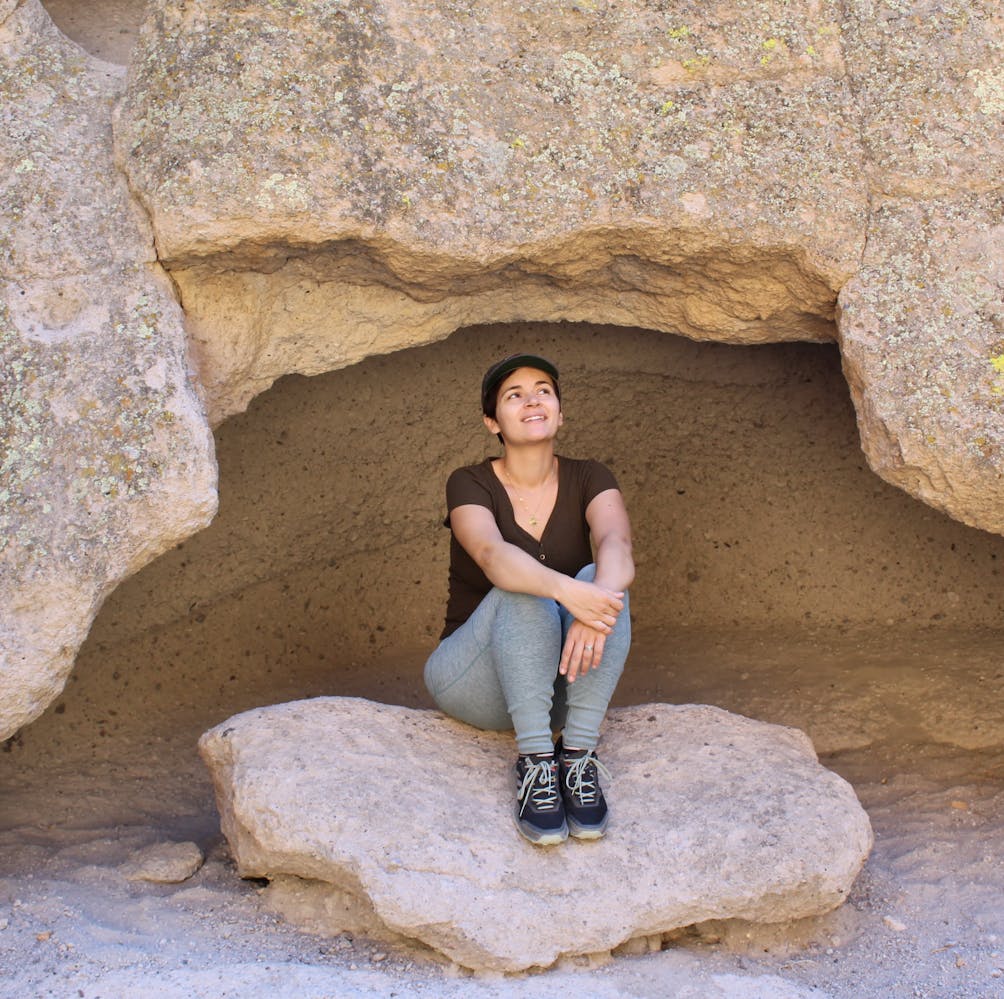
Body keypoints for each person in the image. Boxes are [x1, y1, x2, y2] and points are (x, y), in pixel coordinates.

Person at [424, 353, 634, 845]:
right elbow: (493, 554)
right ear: (492, 421)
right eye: (513, 395)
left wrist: (595, 602)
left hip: (553, 688)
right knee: (522, 588)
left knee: (605, 579)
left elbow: (617, 547)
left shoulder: (590, 476)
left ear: (560, 412)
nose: (532, 400)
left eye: (543, 390)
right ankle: (537, 763)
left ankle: (577, 760)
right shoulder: (469, 481)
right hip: (472, 677)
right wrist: (570, 595)